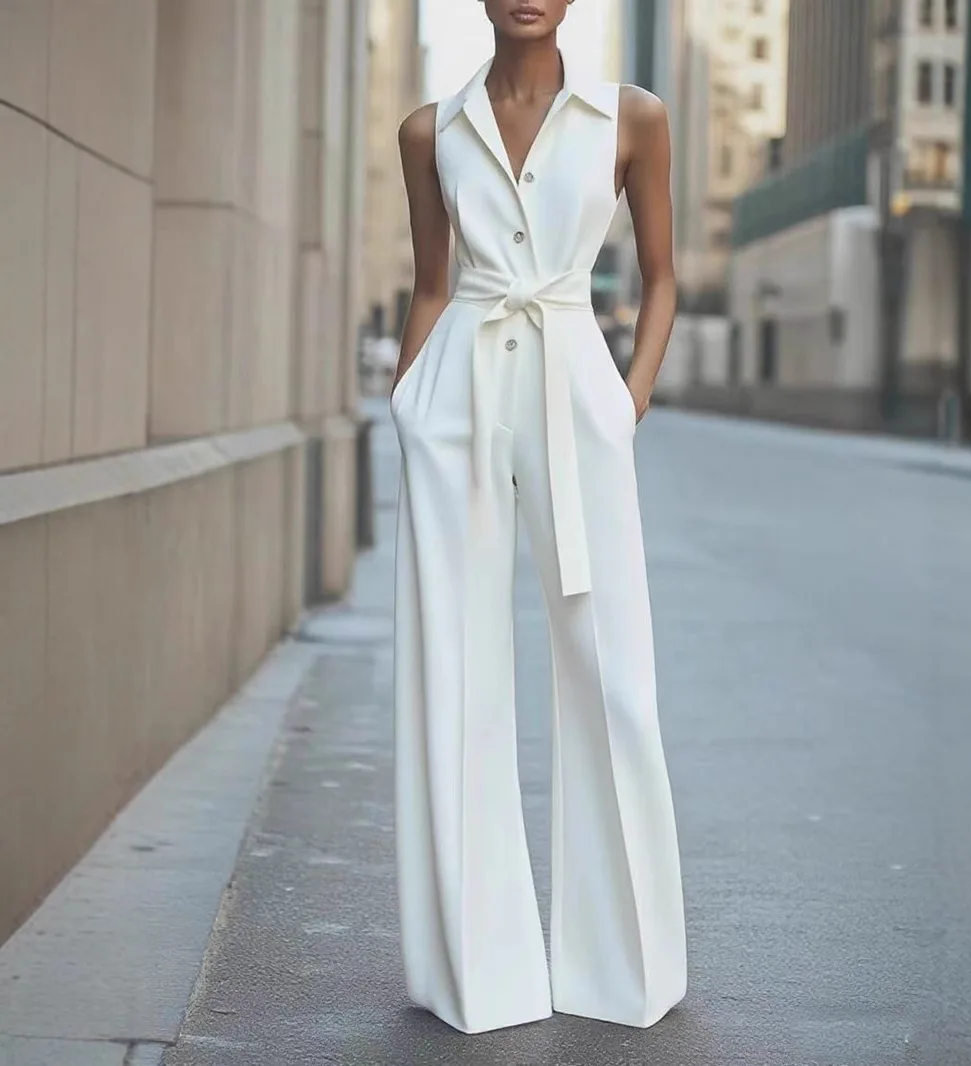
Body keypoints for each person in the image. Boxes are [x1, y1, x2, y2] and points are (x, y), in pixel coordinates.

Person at [388, 0, 686, 1035]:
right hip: (456, 399)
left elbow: (662, 277)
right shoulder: (431, 130)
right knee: (455, 669)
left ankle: (624, 968)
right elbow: (432, 282)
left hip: (575, 390)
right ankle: (479, 969)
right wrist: (406, 404)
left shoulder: (630, 118)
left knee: (611, 671)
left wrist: (625, 401)